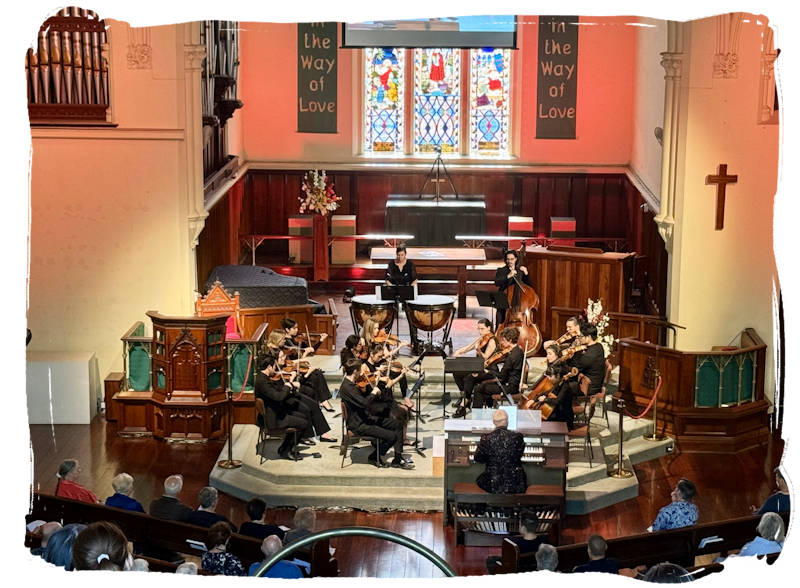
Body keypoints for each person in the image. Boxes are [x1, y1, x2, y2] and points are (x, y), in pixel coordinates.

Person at [254, 354, 337, 460]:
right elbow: (278, 397)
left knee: (303, 415)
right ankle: (287, 450)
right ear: (269, 367)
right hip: (273, 418)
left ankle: (284, 448)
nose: (275, 369)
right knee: (303, 422)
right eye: (274, 366)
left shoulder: (262, 378)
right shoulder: (262, 381)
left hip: (276, 412)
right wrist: (287, 386)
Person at [339, 358, 413, 469]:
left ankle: (397, 459)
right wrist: (373, 393)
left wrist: (377, 382)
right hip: (359, 424)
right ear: (355, 371)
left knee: (398, 424)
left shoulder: (352, 383)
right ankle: (374, 457)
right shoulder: (347, 388)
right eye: (360, 370)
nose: (362, 372)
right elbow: (365, 403)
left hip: (367, 418)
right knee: (391, 436)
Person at [280, 317, 334, 412]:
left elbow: (311, 350)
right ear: (287, 330)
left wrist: (321, 340)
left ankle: (323, 401)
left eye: (297, 328)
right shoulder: (285, 343)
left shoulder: (296, 340)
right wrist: (305, 354)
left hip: (300, 366)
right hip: (294, 368)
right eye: (294, 328)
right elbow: (296, 359)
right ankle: (322, 401)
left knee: (318, 373)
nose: (297, 330)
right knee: (315, 374)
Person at [452, 318, 499, 416]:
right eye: (478, 329)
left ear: (489, 328)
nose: (479, 331)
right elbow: (469, 347)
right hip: (478, 367)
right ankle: (463, 395)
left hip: (488, 369)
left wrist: (478, 350)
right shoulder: (481, 338)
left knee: (470, 377)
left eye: (482, 329)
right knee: (456, 372)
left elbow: (486, 358)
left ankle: (464, 403)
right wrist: (459, 351)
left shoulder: (492, 340)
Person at [521, 344, 575, 429]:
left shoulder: (564, 384)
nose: (547, 356)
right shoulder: (556, 378)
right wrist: (533, 399)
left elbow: (558, 400)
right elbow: (547, 391)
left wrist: (545, 399)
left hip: (561, 416)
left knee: (538, 418)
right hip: (554, 406)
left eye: (550, 354)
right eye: (547, 354)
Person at [471, 327, 525, 409]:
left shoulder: (512, 356)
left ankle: (477, 415)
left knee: (479, 389)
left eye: (503, 340)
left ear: (510, 340)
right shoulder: (519, 350)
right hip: (512, 384)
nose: (502, 342)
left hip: (510, 387)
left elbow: (502, 376)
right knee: (484, 386)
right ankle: (489, 409)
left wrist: (487, 372)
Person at [474, 409, 526, 494]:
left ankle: (484, 506)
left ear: (494, 422)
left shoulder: (486, 438)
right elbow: (518, 455)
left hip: (492, 482)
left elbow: (478, 458)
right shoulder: (518, 437)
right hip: (515, 481)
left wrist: (491, 457)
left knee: (480, 481)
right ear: (507, 422)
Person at [567, 322, 607, 398]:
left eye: (581, 336)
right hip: (590, 381)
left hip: (589, 387)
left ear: (588, 337)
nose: (579, 338)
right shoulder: (598, 346)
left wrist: (571, 356)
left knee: (562, 387)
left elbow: (575, 368)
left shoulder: (590, 354)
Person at [493, 249, 532, 327]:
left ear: (516, 259)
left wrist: (526, 274)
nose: (509, 261)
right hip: (503, 301)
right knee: (500, 317)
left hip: (518, 303)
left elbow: (529, 286)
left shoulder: (520, 271)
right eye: (508, 259)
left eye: (512, 259)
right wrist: (508, 276)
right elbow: (497, 282)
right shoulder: (501, 270)